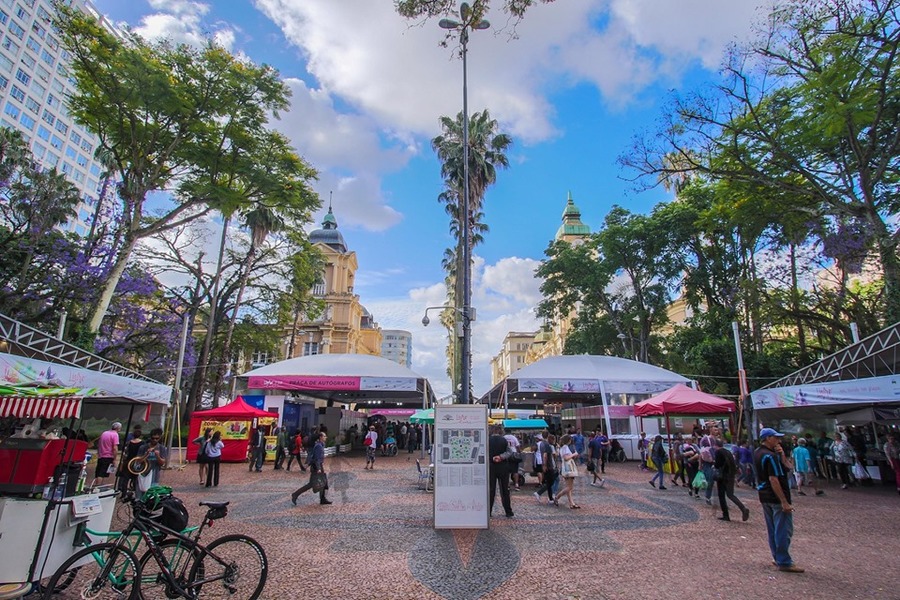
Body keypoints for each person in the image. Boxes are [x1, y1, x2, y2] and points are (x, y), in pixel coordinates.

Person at [754, 427, 802, 573]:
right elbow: (774, 479)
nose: (778, 440)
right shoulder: (770, 456)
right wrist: (784, 501)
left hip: (764, 494)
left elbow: (788, 467)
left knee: (772, 528)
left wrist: (782, 457)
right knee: (783, 529)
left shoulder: (758, 453)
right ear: (768, 438)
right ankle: (784, 561)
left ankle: (777, 557)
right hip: (775, 496)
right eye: (776, 438)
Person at [291, 432, 332, 505]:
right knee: (311, 484)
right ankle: (295, 494)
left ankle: (322, 499)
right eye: (324, 436)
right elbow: (316, 458)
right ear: (320, 437)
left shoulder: (321, 445)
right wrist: (318, 468)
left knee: (323, 482)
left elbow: (314, 457)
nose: (326, 437)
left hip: (318, 466)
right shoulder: (318, 446)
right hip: (316, 467)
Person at [714, 438, 749, 521]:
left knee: (721, 495)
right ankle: (743, 508)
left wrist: (714, 464)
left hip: (722, 477)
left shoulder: (718, 452)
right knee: (730, 495)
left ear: (715, 445)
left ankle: (725, 515)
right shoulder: (728, 452)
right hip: (730, 476)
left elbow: (717, 465)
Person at [488, 426, 515, 518]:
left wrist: (492, 458)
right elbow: (509, 452)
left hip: (491, 466)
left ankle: (489, 511)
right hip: (503, 467)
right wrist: (501, 457)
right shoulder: (504, 440)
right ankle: (508, 511)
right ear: (500, 431)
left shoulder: (488, 440)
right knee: (505, 490)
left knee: (491, 489)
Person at [137, 428, 168, 492]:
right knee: (142, 492)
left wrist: (158, 456)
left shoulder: (161, 448)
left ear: (159, 438)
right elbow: (138, 461)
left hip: (155, 474)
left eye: (157, 438)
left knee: (152, 493)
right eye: (153, 438)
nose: (155, 440)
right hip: (144, 474)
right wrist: (146, 454)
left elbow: (162, 463)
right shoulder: (143, 447)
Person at [534, 434, 559, 505]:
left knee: (550, 482)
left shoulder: (542, 444)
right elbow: (546, 455)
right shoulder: (548, 446)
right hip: (549, 466)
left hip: (548, 466)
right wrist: (545, 465)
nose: (554, 441)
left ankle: (550, 497)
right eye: (553, 439)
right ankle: (541, 494)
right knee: (550, 482)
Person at [117, 427, 143, 494]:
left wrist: (122, 463)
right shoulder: (142, 443)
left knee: (125, 478)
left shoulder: (128, 443)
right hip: (137, 462)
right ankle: (135, 492)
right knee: (136, 478)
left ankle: (124, 493)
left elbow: (125, 453)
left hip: (128, 462)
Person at [557, 434, 581, 509]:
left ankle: (571, 503)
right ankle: (557, 497)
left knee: (568, 486)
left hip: (567, 467)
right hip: (568, 467)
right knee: (569, 487)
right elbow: (566, 458)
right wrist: (574, 454)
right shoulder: (565, 447)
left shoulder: (563, 447)